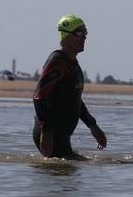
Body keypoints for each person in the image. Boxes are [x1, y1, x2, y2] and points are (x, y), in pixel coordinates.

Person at [32, 14, 107, 160]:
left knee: (76, 170)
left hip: (61, 136)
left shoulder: (72, 63)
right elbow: (39, 96)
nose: (84, 37)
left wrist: (92, 125)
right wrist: (46, 131)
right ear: (65, 36)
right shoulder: (57, 62)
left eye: (85, 33)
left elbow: (74, 98)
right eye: (79, 33)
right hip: (51, 135)